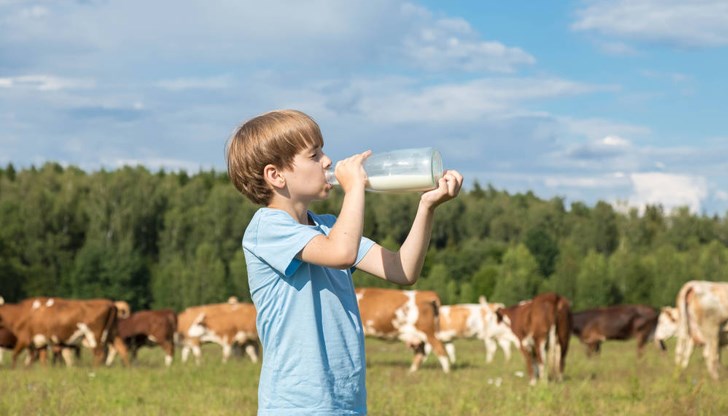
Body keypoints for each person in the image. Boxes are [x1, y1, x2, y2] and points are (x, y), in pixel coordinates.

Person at [225, 109, 463, 415]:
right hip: (296, 405)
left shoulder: (328, 228)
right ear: (275, 175)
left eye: (323, 151)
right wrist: (354, 189)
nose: (327, 161)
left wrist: (427, 207)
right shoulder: (267, 229)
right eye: (314, 155)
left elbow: (403, 270)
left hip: (346, 404)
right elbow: (341, 254)